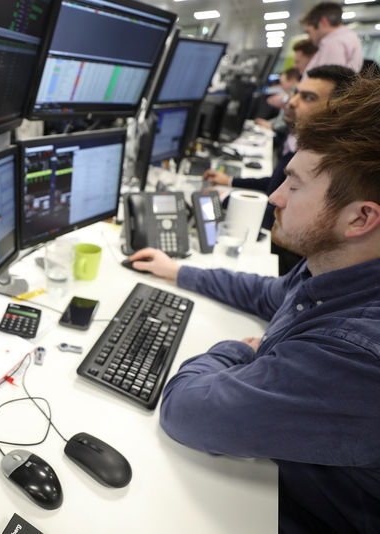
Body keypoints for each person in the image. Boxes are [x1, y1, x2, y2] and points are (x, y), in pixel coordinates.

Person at [127, 75, 380, 532]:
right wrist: (178, 271)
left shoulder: (356, 354)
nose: (274, 196)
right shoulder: (343, 263)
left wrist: (242, 351)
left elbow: (186, 411)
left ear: (360, 218)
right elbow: (270, 294)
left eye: (295, 186)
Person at [202, 65, 356, 236]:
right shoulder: (299, 146)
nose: (291, 101)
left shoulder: (325, 165)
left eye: (308, 98)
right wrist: (231, 181)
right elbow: (275, 182)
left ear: (337, 111)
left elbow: (279, 218)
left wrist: (224, 199)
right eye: (296, 93)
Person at [301, 2, 363, 73]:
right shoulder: (347, 37)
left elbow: (327, 79)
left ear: (324, 22)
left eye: (308, 32)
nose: (309, 38)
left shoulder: (334, 42)